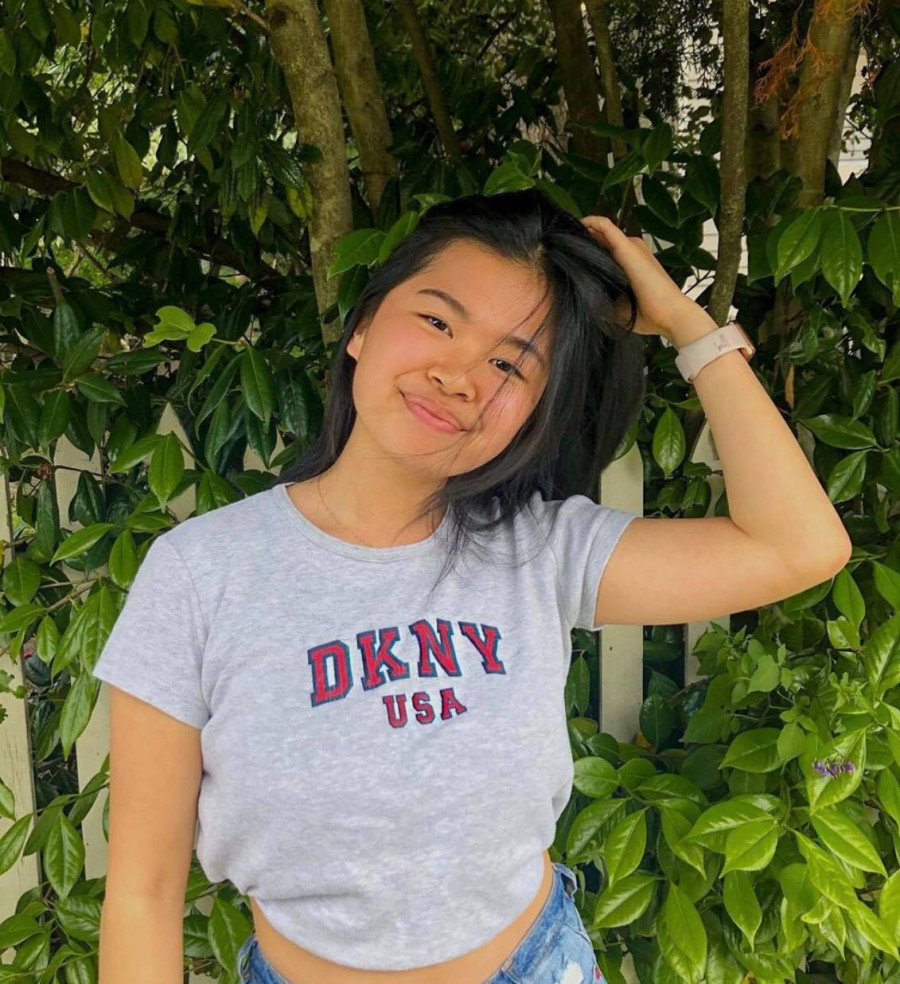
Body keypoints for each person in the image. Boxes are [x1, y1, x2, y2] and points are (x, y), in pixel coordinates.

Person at [92, 187, 648, 984]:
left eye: (507, 364)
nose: (459, 375)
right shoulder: (200, 573)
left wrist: (692, 330)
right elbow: (142, 894)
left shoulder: (542, 550)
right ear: (362, 327)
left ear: (535, 410)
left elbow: (798, 545)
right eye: (438, 322)